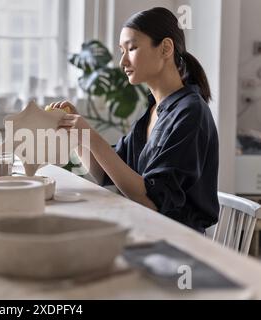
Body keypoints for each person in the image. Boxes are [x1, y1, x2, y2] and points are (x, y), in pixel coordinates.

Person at [50, 7, 219, 233]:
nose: (122, 62)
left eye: (132, 48)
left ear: (165, 48)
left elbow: (149, 201)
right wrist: (79, 133)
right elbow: (103, 174)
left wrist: (89, 135)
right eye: (122, 50)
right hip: (145, 229)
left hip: (176, 242)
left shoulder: (191, 113)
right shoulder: (153, 109)